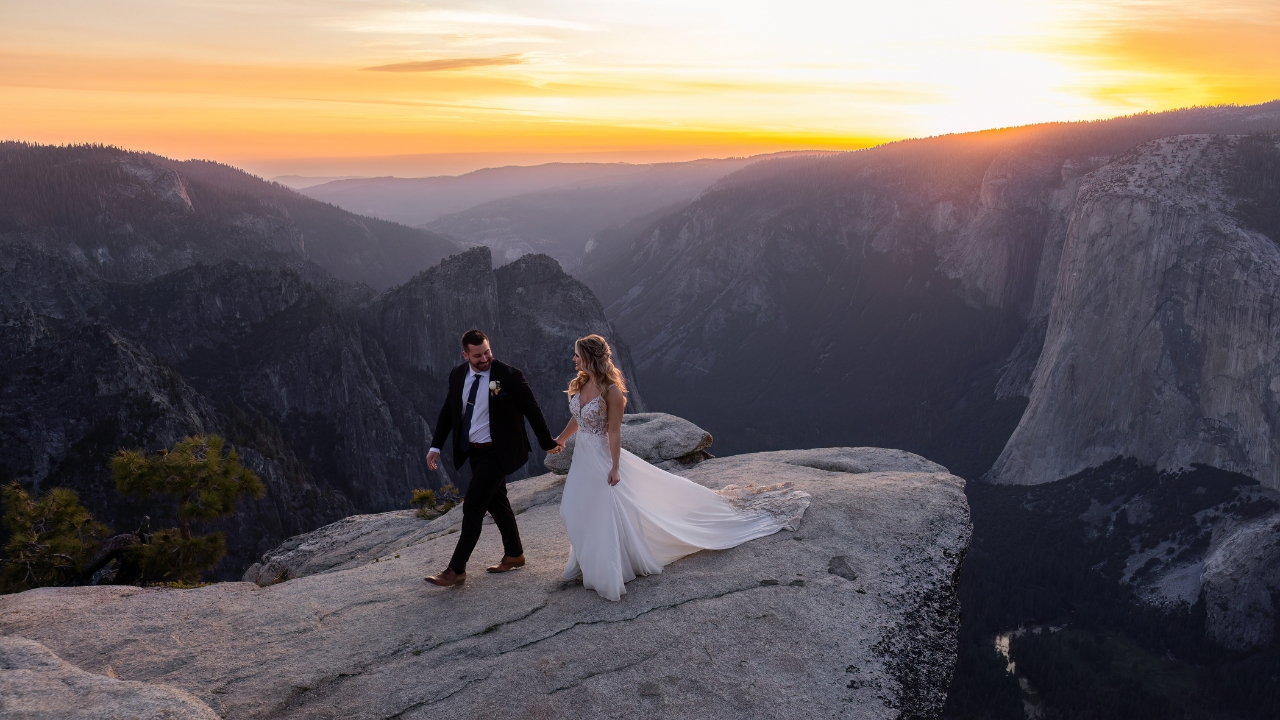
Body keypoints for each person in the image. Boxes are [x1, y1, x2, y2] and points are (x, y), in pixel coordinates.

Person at [553, 334, 808, 601]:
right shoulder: (581, 384)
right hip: (583, 457)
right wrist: (561, 439)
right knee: (576, 508)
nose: (573, 359)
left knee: (602, 510)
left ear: (589, 357)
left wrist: (616, 467)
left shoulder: (611, 392)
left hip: (601, 457)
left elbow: (614, 433)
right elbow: (578, 417)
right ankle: (589, 560)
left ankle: (608, 568)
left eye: (577, 355)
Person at [424, 329, 562, 587]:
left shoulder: (508, 375)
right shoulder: (457, 375)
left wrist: (547, 442)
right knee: (498, 502)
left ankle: (456, 569)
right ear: (466, 355)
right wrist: (436, 446)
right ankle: (515, 554)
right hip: (474, 451)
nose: (484, 358)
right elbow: (448, 411)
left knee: (473, 506)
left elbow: (531, 408)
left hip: (499, 452)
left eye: (487, 351)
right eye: (477, 355)